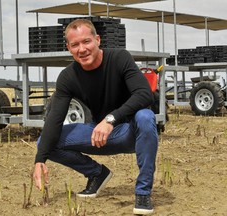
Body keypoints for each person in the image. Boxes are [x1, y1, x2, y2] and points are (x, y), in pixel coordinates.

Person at [33, 19, 159, 215]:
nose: (82, 49)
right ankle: (97, 174)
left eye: (86, 41)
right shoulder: (68, 76)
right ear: (68, 48)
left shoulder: (119, 58)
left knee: (145, 116)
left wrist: (111, 119)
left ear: (97, 39)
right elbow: (55, 119)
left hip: (131, 131)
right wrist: (40, 160)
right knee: (45, 142)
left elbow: (145, 94)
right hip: (98, 135)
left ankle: (143, 192)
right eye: (75, 45)